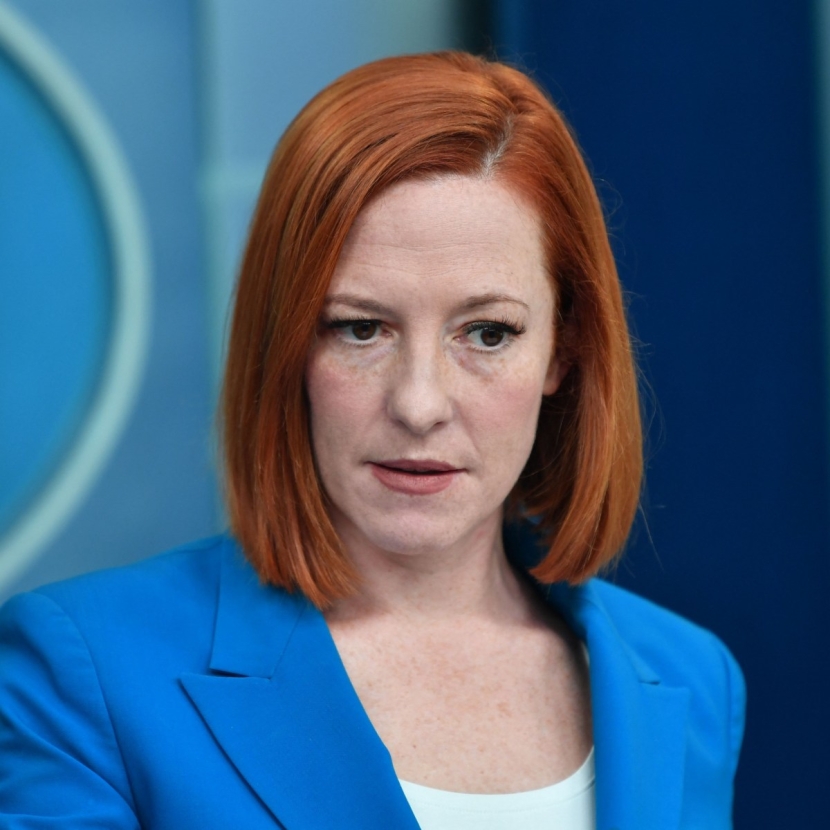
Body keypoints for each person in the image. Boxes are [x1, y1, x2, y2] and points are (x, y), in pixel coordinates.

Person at [0, 52, 744, 829]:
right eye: (361, 328)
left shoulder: (689, 679)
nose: (419, 405)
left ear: (564, 349)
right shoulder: (84, 672)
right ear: (286, 345)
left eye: (488, 333)